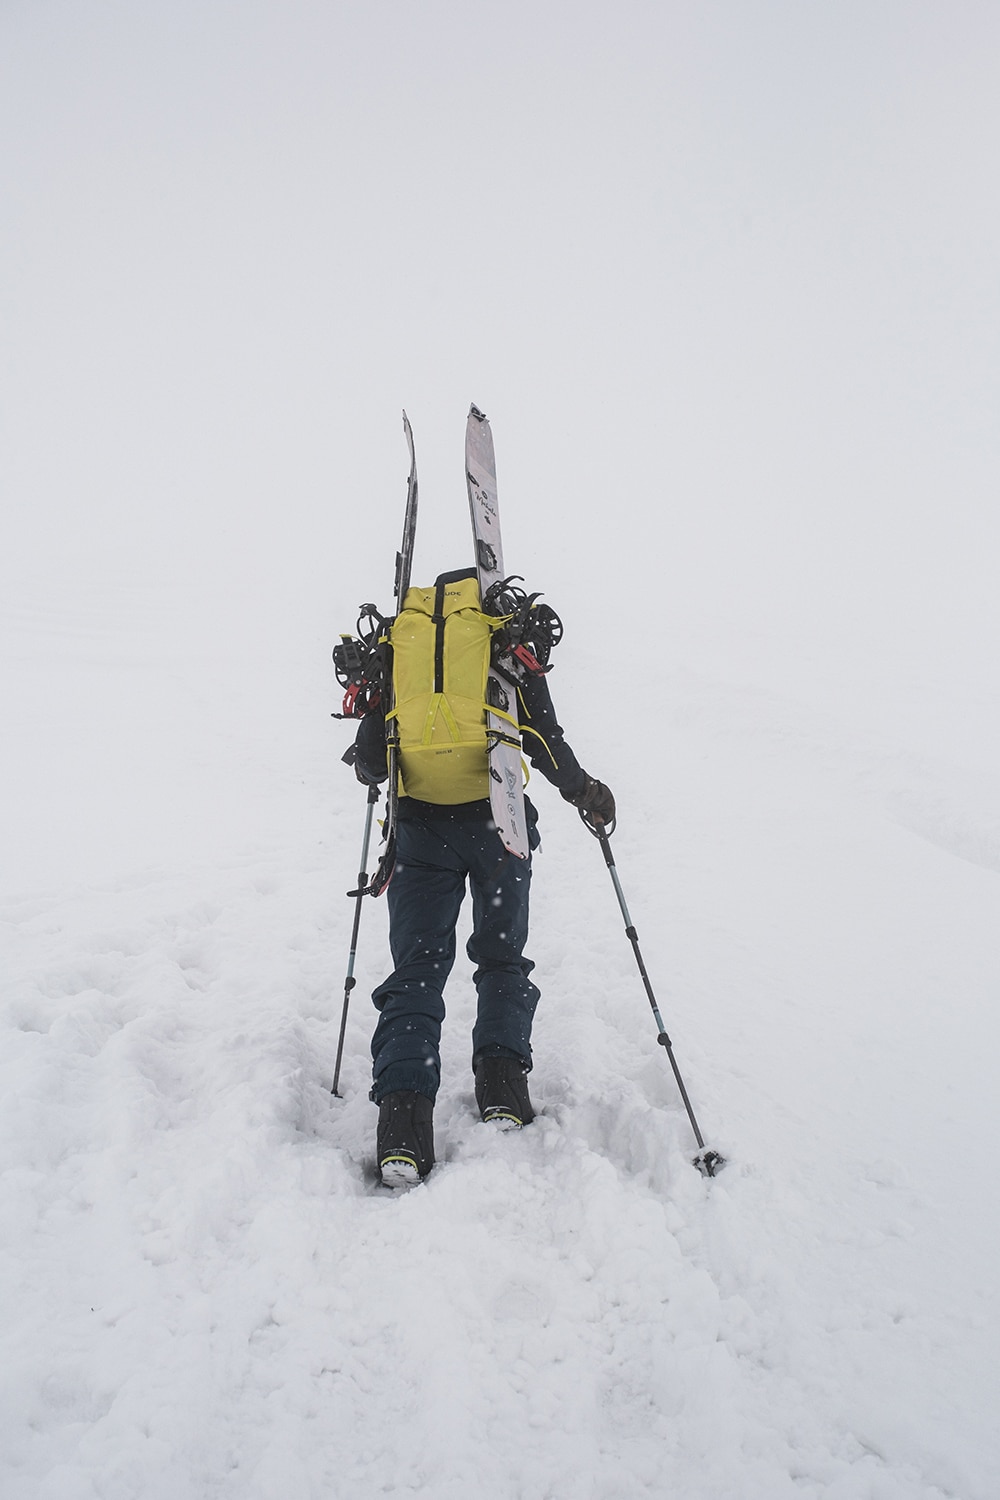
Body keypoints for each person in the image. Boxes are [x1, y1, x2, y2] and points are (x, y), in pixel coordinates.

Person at [350, 567, 615, 1187]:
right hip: (500, 823)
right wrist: (587, 794)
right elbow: (543, 738)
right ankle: (502, 1088)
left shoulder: (401, 646)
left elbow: (368, 763)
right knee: (500, 957)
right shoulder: (505, 641)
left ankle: (403, 1129)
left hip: (419, 828)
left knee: (417, 970)